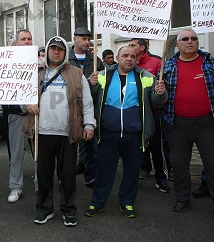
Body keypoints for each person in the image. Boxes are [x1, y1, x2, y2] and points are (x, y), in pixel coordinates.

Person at [85, 46, 167, 218]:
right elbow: (90, 99)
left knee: (132, 172)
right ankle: (97, 203)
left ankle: (127, 202)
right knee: (104, 171)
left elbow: (157, 103)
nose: (129, 58)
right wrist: (91, 85)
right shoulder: (101, 76)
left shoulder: (146, 77)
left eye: (132, 56)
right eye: (125, 55)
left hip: (135, 135)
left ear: (137, 58)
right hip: (108, 134)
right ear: (117, 57)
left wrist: (160, 94)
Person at [23, 36, 95, 226]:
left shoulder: (77, 74)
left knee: (68, 176)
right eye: (53, 48)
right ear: (47, 51)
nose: (56, 52)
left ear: (65, 52)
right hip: (43, 132)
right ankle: (44, 209)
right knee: (44, 175)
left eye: (60, 49)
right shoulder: (35, 73)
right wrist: (28, 104)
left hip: (67, 132)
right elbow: (22, 96)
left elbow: (86, 103)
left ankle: (68, 210)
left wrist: (89, 125)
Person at [160, 29, 214, 212]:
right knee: (180, 164)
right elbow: (157, 100)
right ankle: (183, 198)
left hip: (207, 124)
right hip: (178, 125)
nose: (190, 41)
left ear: (198, 42)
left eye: (194, 38)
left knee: (212, 163)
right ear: (177, 44)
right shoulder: (166, 67)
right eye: (185, 39)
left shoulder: (210, 63)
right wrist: (158, 93)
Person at [128, 38, 170, 193]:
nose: (130, 48)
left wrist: (160, 92)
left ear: (142, 47)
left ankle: (161, 178)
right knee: (138, 148)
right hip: (134, 115)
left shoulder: (156, 62)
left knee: (157, 150)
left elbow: (163, 86)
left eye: (133, 45)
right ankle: (144, 169)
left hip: (153, 116)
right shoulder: (129, 64)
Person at [68, 27, 103, 186]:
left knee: (92, 145)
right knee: (69, 145)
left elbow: (103, 86)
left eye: (89, 39)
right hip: (70, 109)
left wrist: (95, 85)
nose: (87, 42)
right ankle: (67, 178)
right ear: (75, 39)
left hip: (90, 108)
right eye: (83, 38)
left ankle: (91, 176)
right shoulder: (66, 59)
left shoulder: (95, 61)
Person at [6, 29, 38, 203]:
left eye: (29, 39)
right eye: (23, 39)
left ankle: (39, 183)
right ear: (16, 43)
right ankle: (15, 187)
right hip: (17, 114)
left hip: (36, 114)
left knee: (39, 152)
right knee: (17, 154)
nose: (26, 41)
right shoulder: (8, 62)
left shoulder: (39, 62)